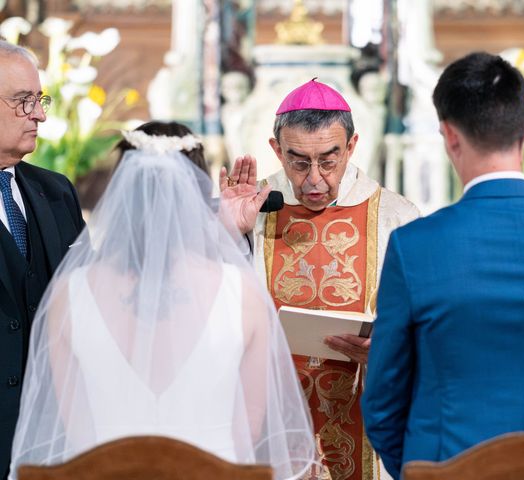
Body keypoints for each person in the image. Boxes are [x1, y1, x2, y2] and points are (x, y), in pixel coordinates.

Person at [361, 52, 524, 479]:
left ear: (449, 136)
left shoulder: (415, 247)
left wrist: (421, 471)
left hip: (446, 470)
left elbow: (383, 401)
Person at [9, 122, 316, 480]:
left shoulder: (70, 295)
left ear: (121, 189)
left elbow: (75, 426)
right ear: (197, 191)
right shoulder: (242, 294)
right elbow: (248, 430)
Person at [221, 78, 420, 480]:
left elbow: (426, 331)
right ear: (276, 149)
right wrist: (226, 232)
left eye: (329, 160)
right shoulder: (250, 208)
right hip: (268, 414)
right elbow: (204, 313)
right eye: (298, 161)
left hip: (362, 413)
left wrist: (389, 348)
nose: (314, 179)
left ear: (351, 146)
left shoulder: (396, 217)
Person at [0, 40, 85, 478]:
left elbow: (98, 298)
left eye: (39, 99)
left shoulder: (56, 192)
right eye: (23, 101)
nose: (41, 114)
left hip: (51, 447)